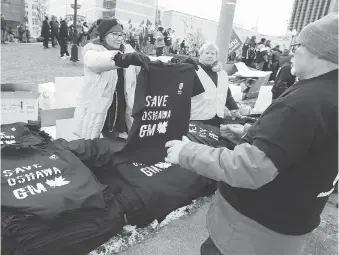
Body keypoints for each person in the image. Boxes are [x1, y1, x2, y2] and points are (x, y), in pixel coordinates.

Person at [165, 13, 338, 255]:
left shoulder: (305, 102)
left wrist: (187, 152)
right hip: (289, 226)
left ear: (320, 52)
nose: (292, 51)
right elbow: (301, 143)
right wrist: (250, 132)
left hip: (248, 234)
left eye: (299, 45)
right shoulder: (330, 95)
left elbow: (250, 168)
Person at [73, 18, 150, 140]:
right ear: (103, 35)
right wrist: (122, 59)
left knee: (119, 145)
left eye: (121, 35)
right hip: (99, 112)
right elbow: (96, 61)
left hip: (122, 109)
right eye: (115, 34)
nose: (119, 38)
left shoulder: (127, 50)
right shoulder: (92, 49)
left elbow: (144, 67)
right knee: (94, 147)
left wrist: (168, 64)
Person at [190, 42, 241, 127]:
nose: (210, 56)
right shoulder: (194, 71)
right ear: (201, 55)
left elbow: (226, 94)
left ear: (216, 56)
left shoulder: (222, 73)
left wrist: (234, 108)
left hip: (217, 118)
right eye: (207, 53)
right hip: (197, 118)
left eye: (213, 53)